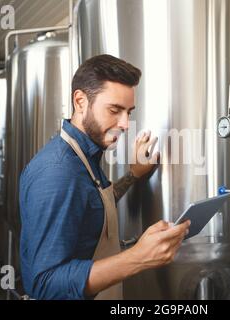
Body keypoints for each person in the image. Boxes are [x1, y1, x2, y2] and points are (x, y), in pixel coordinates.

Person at [19, 54, 190, 300]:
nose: (125, 124)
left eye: (128, 112)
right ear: (80, 102)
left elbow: (91, 204)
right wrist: (138, 257)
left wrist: (133, 175)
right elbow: (44, 284)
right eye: (114, 110)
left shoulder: (85, 157)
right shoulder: (57, 172)